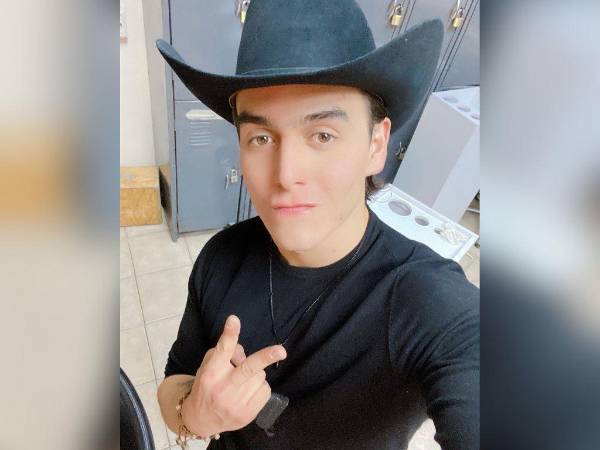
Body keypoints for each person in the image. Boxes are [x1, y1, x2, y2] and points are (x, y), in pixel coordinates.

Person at [155, 1, 479, 449]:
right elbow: (175, 380)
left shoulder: (428, 303)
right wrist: (193, 412)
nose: (286, 174)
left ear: (376, 144)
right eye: (261, 137)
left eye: (322, 135)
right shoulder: (221, 256)